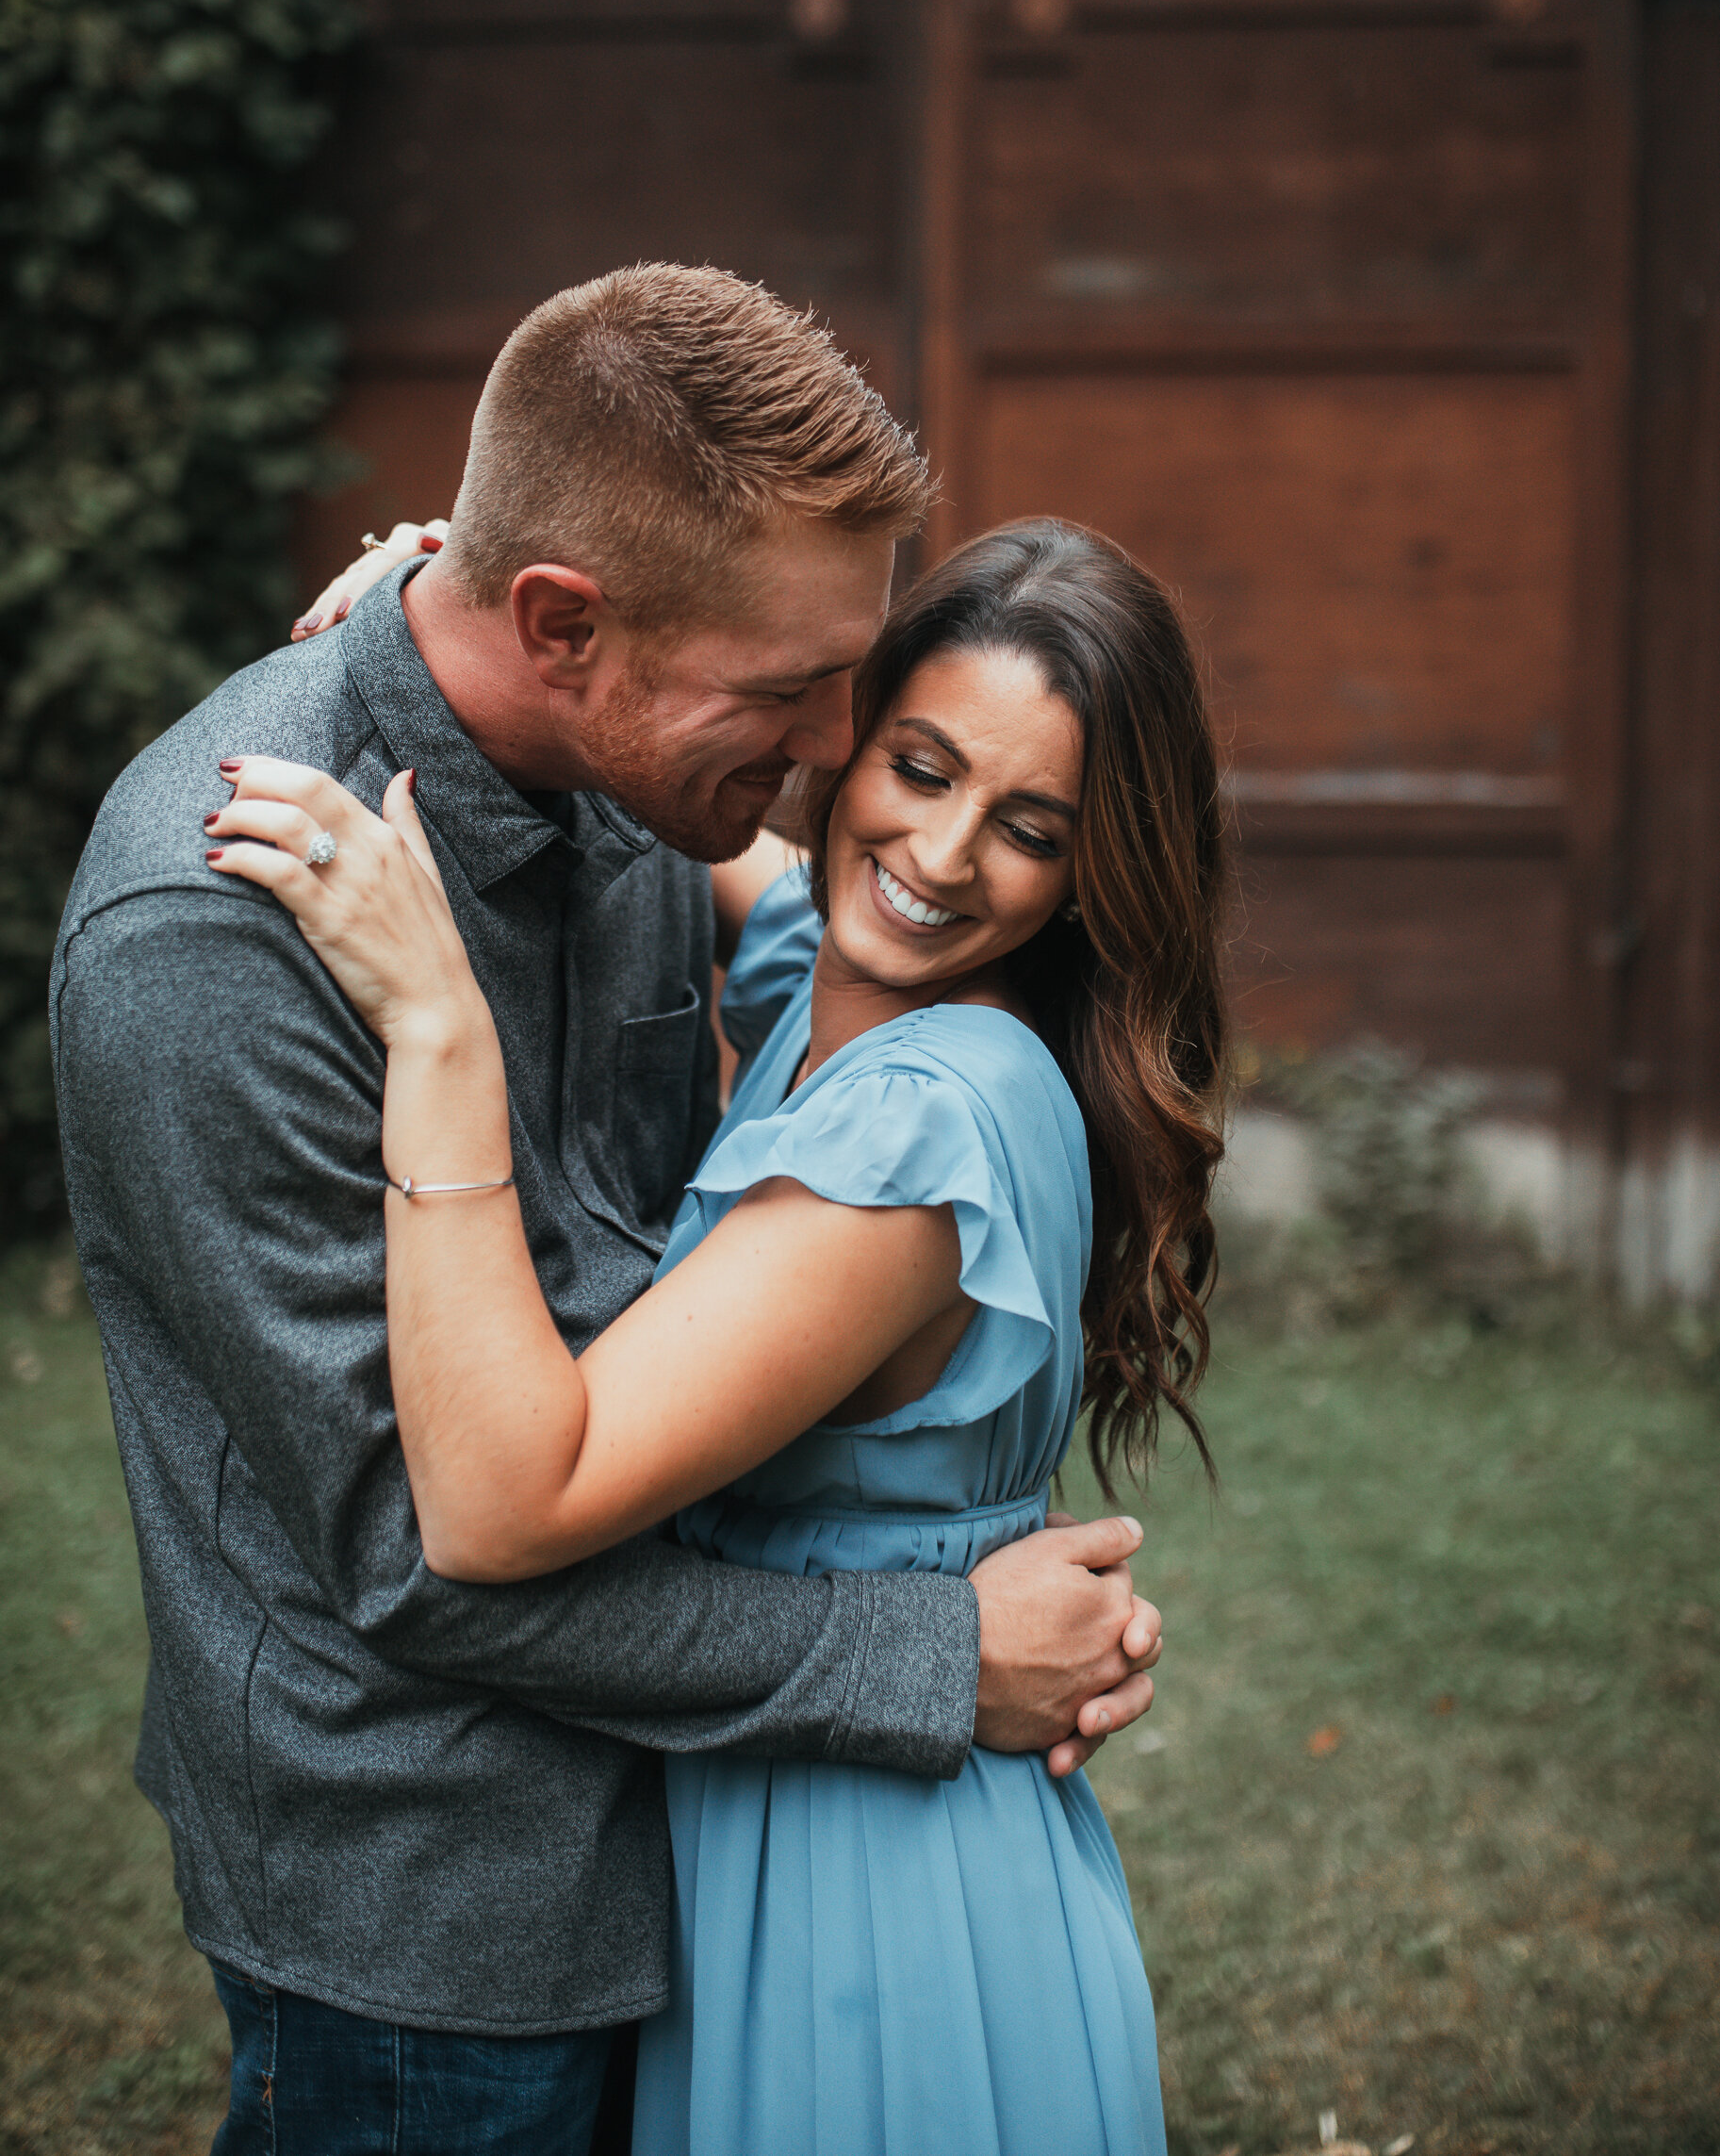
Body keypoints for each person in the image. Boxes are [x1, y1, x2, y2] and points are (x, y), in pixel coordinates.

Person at [51, 266, 1161, 2156]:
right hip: (429, 1923)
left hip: (705, 1856)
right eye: (801, 697)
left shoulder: (650, 788)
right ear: (563, 621)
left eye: (851, 685)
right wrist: (924, 1655)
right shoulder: (220, 935)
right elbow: (420, 1547)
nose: (831, 761)